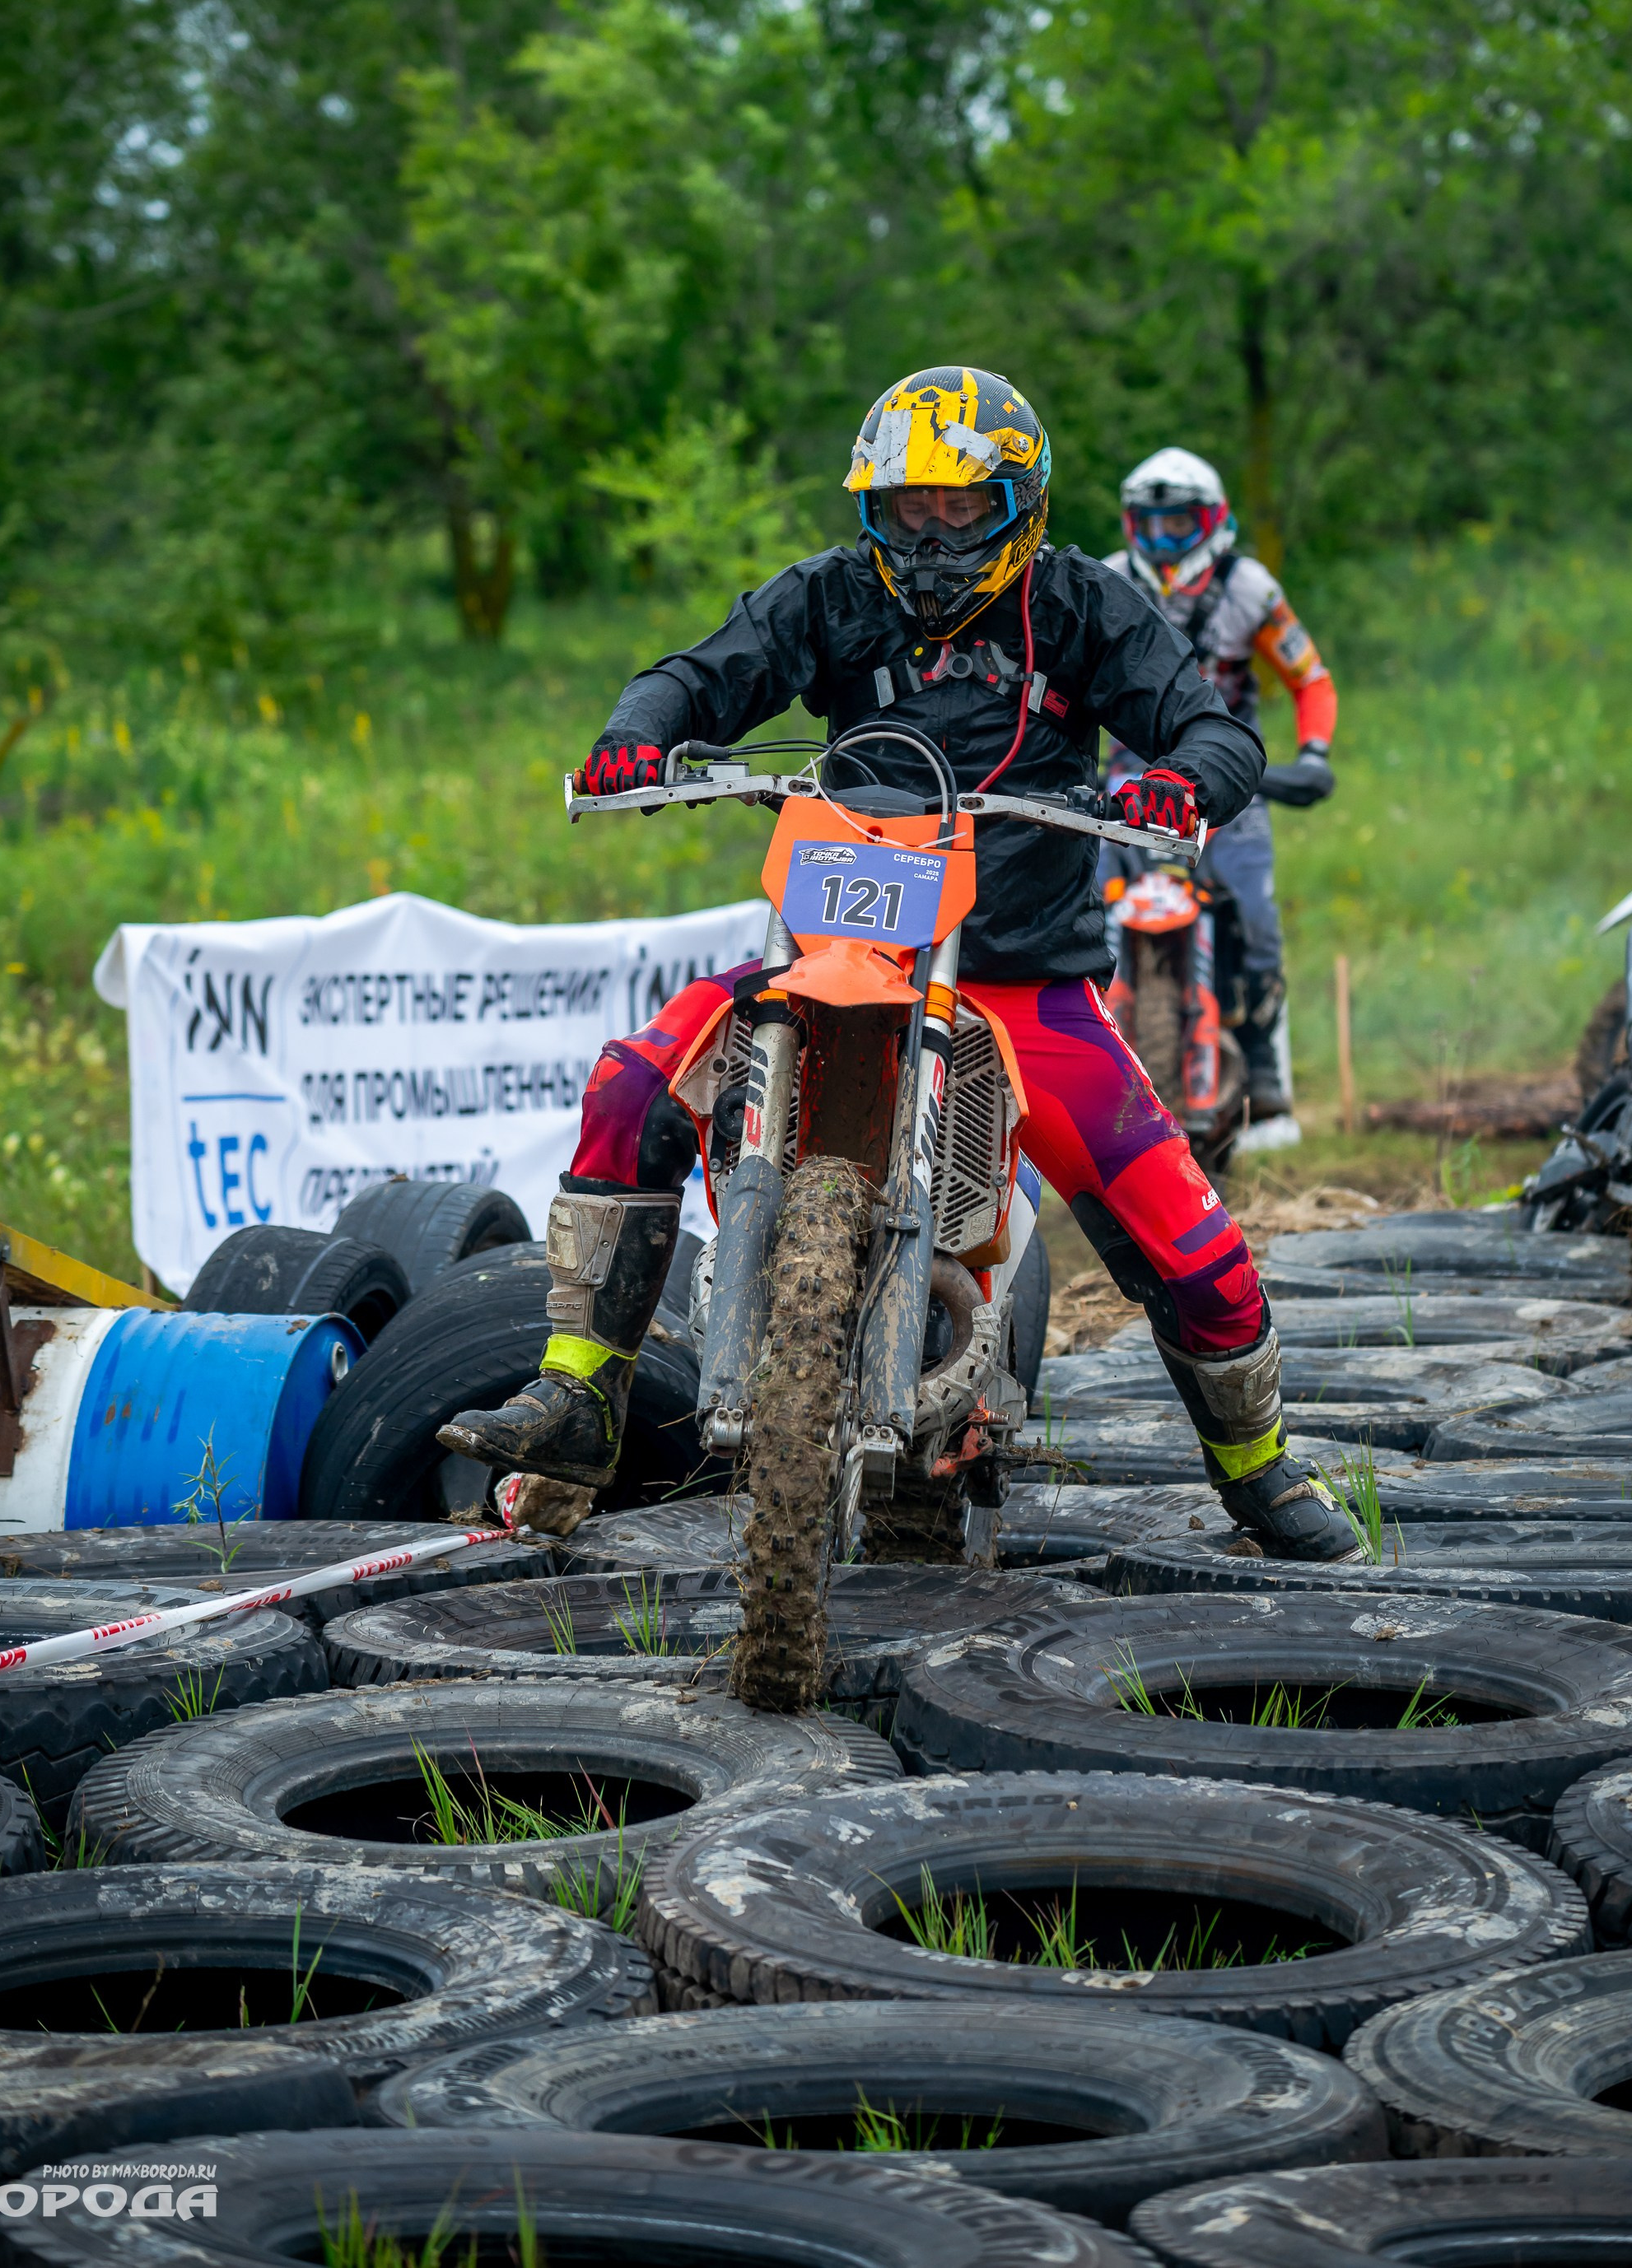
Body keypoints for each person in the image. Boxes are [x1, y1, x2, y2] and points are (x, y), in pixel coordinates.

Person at [438, 368, 1356, 1561]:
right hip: (839, 961)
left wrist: (1182, 778)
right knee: (631, 1086)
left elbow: (1213, 726)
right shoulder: (827, 595)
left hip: (1021, 981)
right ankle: (579, 1398)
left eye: (956, 510)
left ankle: (1258, 1471)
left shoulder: (1079, 606)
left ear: (1016, 506)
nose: (925, 536)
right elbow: (696, 672)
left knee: (1191, 1245)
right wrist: (635, 734)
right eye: (902, 508)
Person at [1106, 449, 1336, 1130]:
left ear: (1212, 521)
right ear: (1130, 526)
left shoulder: (1250, 590)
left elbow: (1310, 678)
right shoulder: (1107, 585)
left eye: (1180, 524)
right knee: (1075, 907)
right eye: (1151, 525)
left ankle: (1262, 1064)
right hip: (1129, 782)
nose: (1164, 541)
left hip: (1232, 787)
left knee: (1259, 921)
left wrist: (1315, 754)